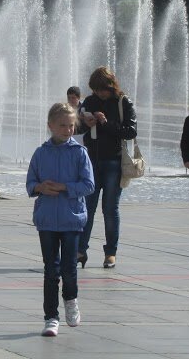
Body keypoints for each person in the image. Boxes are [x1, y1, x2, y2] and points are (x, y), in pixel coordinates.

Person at [27, 103, 95, 337]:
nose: (67, 130)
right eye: (62, 125)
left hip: (71, 219)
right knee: (50, 270)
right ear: (51, 126)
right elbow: (30, 183)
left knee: (68, 268)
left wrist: (65, 187)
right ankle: (50, 317)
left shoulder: (79, 153)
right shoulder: (40, 153)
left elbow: (89, 185)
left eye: (71, 125)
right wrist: (40, 187)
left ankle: (71, 299)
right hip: (46, 220)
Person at [78, 67, 137, 269]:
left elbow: (130, 131)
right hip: (91, 161)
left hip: (113, 161)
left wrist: (106, 123)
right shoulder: (89, 101)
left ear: (111, 86)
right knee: (88, 207)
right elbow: (75, 126)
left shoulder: (122, 102)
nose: (99, 94)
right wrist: (86, 123)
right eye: (95, 90)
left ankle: (110, 253)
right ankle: (80, 250)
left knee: (110, 209)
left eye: (102, 90)